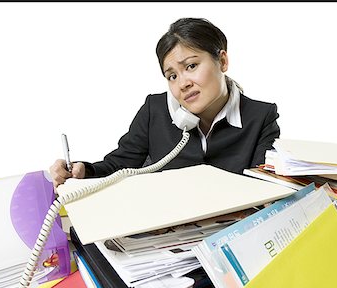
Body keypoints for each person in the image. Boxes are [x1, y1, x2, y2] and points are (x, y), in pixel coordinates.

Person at [49, 17, 280, 189]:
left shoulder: (261, 117)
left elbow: (264, 190)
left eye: (191, 66)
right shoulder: (155, 111)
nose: (183, 84)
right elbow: (116, 168)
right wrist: (82, 171)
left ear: (222, 60)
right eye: (172, 76)